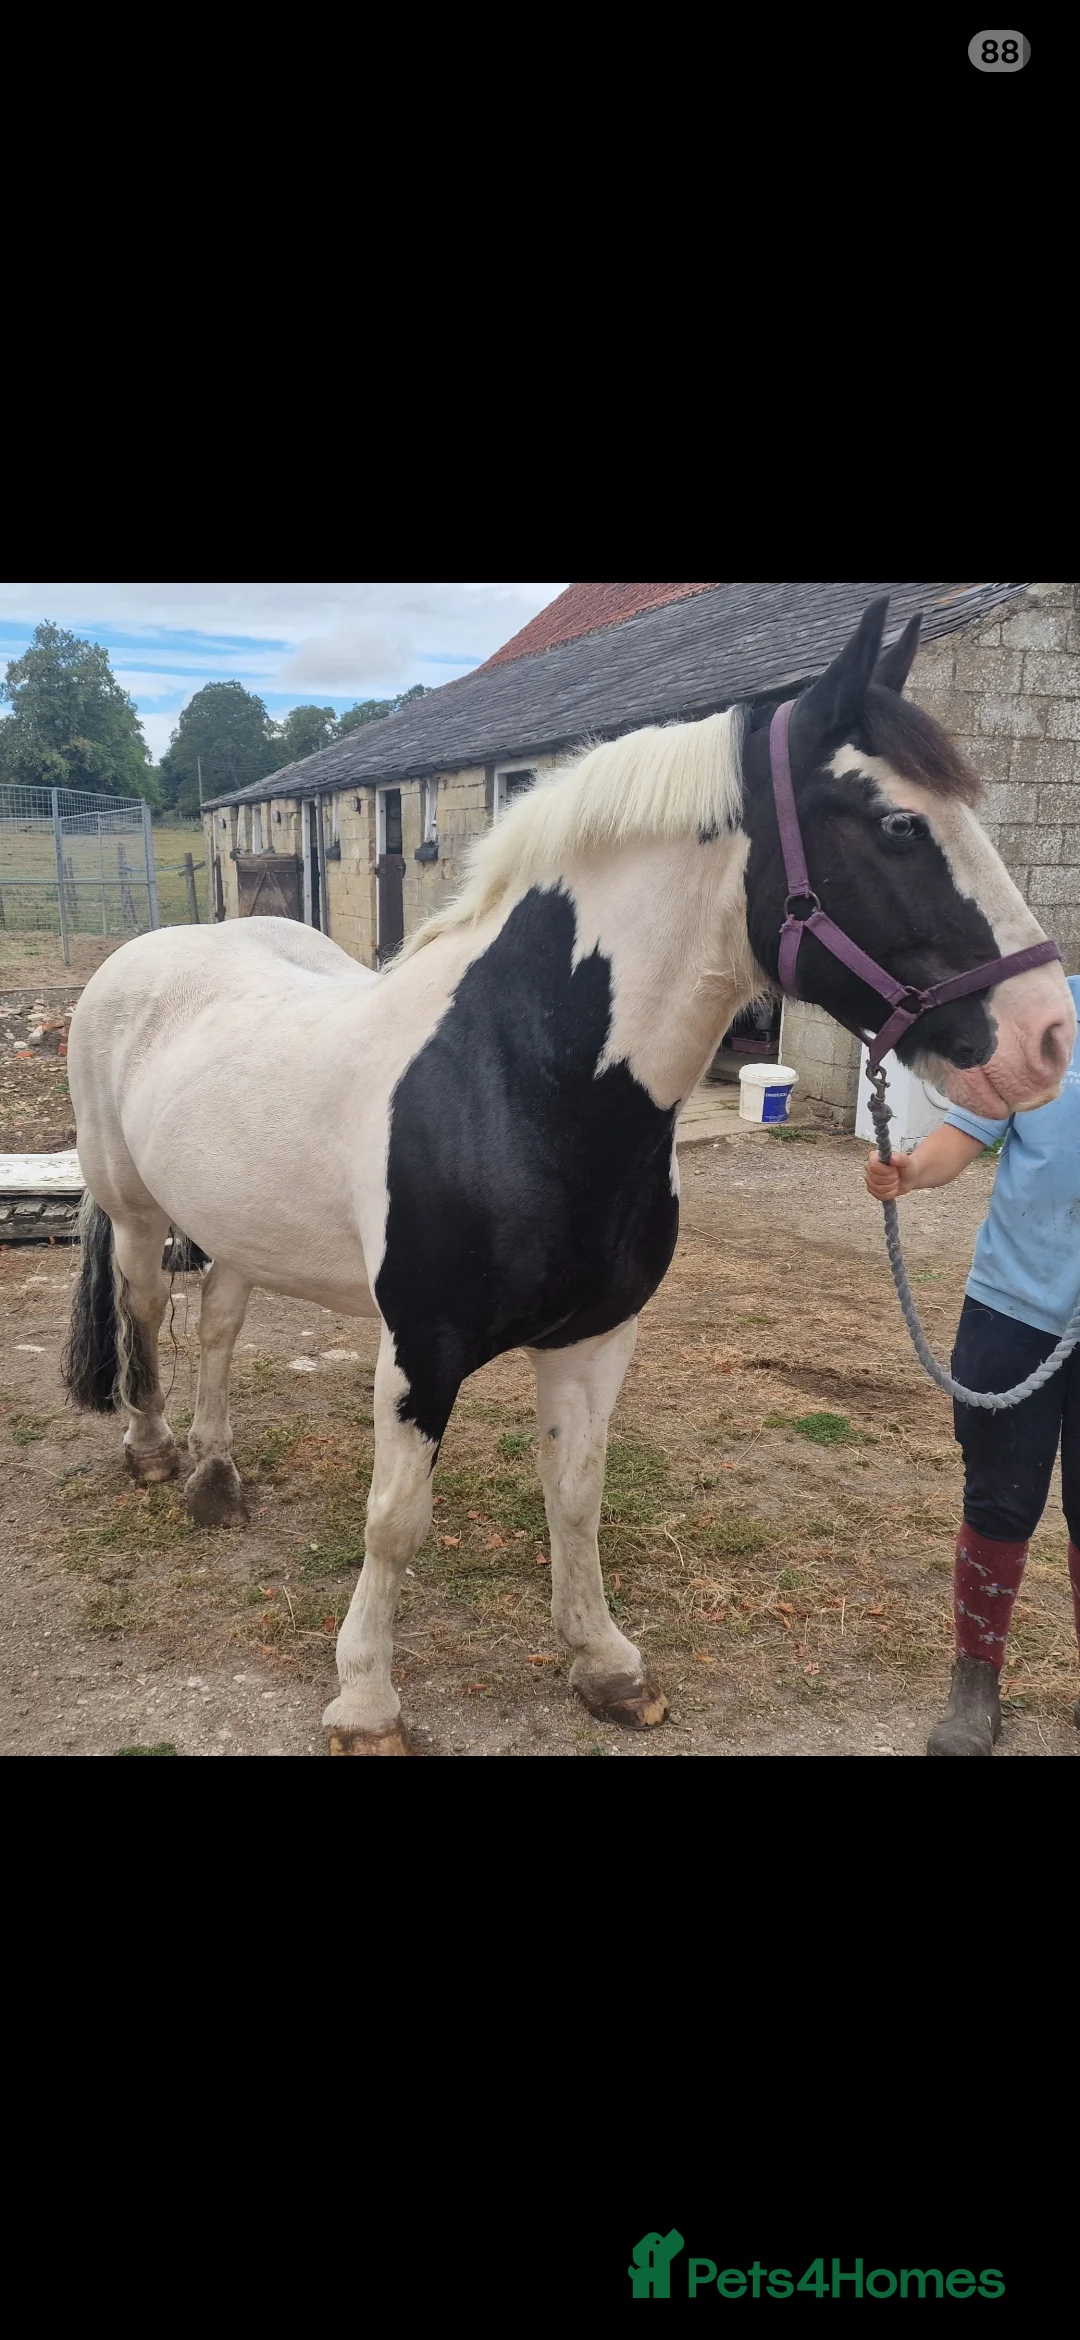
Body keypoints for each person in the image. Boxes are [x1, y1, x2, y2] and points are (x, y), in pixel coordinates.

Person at [865, 973, 1080, 1757]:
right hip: (1013, 1309)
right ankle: (975, 1681)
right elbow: (967, 1133)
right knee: (998, 1500)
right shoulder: (1048, 1021)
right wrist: (909, 1171)